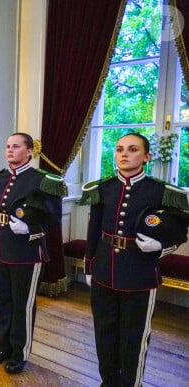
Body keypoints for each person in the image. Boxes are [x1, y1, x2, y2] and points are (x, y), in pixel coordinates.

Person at [80, 132, 189, 387]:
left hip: (140, 273)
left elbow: (180, 231)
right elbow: (93, 229)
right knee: (104, 333)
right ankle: (108, 382)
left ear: (146, 156)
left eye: (132, 149)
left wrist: (160, 247)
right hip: (104, 271)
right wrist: (89, 265)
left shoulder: (161, 191)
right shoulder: (102, 188)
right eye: (119, 149)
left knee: (134, 336)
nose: (124, 154)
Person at [0, 132, 64, 375]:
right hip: (0, 248)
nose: (10, 150)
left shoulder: (43, 180)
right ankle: (3, 345)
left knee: (22, 305)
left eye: (16, 146)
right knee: (2, 302)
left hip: (27, 251)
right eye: (8, 146)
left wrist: (31, 228)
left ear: (29, 151)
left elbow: (54, 218)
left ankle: (20, 352)